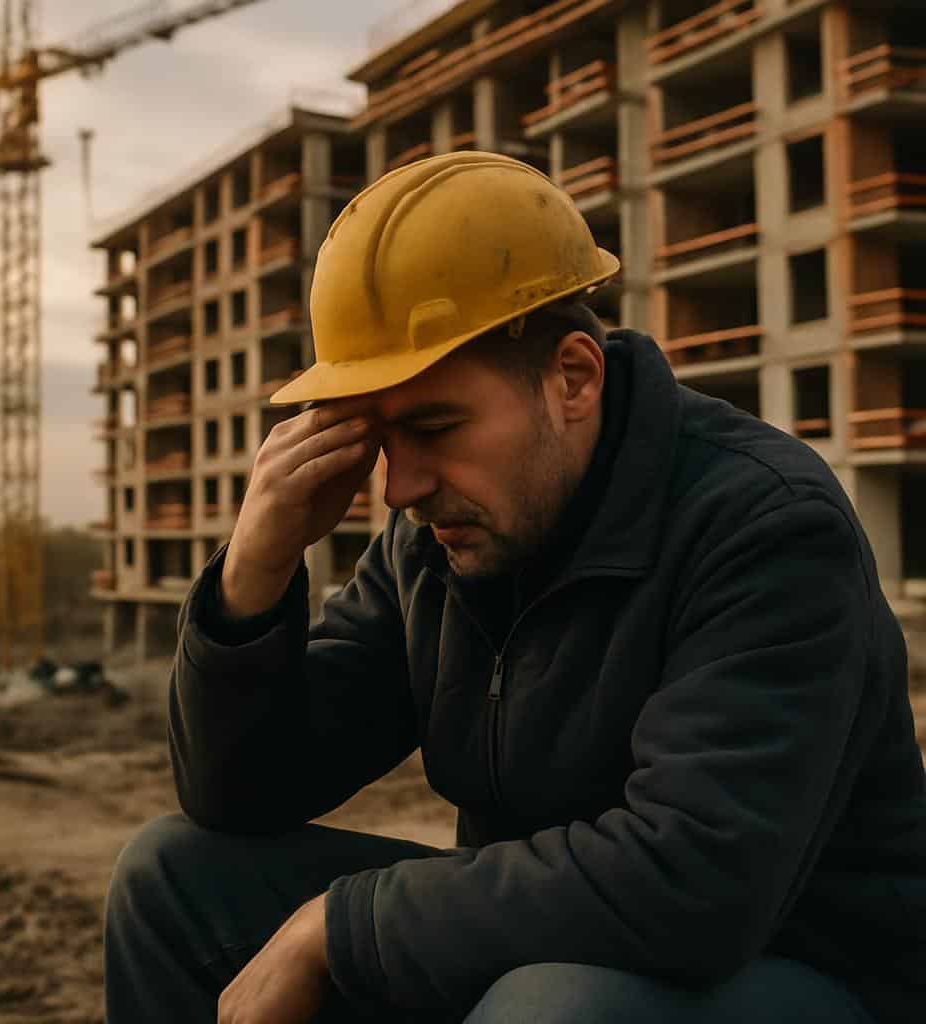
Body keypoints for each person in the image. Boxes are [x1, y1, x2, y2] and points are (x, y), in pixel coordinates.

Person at [104, 152, 926, 1023]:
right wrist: (253, 571)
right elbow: (241, 795)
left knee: (553, 1007)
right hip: (562, 954)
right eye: (379, 435)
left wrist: (337, 928)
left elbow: (694, 877)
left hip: (803, 973)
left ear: (573, 377)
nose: (400, 485)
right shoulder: (436, 545)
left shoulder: (763, 525)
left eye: (433, 425)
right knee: (173, 878)